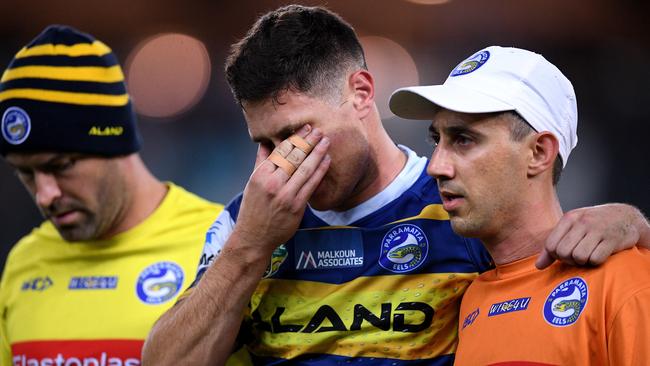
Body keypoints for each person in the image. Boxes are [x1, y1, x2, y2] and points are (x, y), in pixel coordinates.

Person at [142, 6, 649, 365]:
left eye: (297, 133)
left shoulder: (461, 209)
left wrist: (631, 225)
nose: (286, 162)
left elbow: (552, 261)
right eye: (267, 143)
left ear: (361, 93)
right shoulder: (245, 223)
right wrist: (250, 246)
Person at [389, 45, 650, 365]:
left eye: (463, 139)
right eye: (437, 140)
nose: (436, 166)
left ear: (539, 153)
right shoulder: (470, 300)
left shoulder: (626, 281)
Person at [0, 25, 225, 365]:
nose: (45, 195)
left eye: (60, 165)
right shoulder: (24, 263)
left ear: (114, 141)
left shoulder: (222, 241)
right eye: (27, 173)